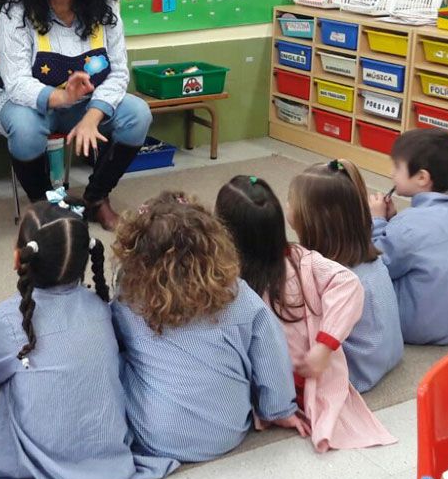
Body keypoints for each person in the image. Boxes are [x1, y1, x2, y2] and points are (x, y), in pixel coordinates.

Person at [0, 200, 177, 479]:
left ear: (19, 258)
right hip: (108, 457)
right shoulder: (100, 307)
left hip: (39, 464)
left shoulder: (8, 319)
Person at [113, 192, 306, 463]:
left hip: (155, 435)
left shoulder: (127, 298)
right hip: (229, 429)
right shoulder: (238, 295)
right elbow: (271, 354)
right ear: (213, 244)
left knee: (117, 354)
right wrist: (280, 410)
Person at [0, 0, 152, 231]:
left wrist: (92, 116)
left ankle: (96, 198)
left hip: (86, 105)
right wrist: (61, 97)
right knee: (25, 128)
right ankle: (44, 206)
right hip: (27, 106)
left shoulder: (106, 10)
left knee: (138, 114)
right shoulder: (15, 14)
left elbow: (118, 73)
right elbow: (17, 84)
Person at [215, 175, 395, 453]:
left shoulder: (228, 279)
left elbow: (349, 284)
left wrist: (324, 345)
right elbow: (349, 284)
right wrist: (325, 346)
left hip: (276, 385)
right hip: (302, 378)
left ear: (226, 231)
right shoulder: (303, 259)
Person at [290, 161, 403, 394]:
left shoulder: (331, 275)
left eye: (292, 202)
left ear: (314, 220)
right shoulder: (370, 257)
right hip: (387, 355)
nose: (287, 206)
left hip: (358, 372)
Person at [369, 129, 448, 345]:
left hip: (416, 327)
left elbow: (379, 264)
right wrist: (392, 220)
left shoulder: (409, 224)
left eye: (397, 168)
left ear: (422, 177)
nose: (392, 174)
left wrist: (377, 221)